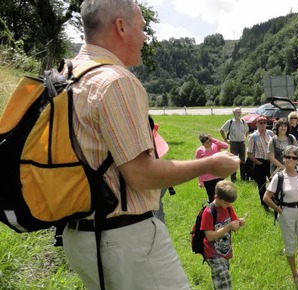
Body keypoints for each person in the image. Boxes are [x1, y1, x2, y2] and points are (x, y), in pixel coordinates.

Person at [62, 1, 240, 289]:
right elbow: (141, 175)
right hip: (125, 240)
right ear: (121, 26)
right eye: (142, 28)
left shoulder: (67, 73)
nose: (145, 37)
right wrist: (210, 164)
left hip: (81, 234)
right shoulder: (115, 81)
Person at [263, 145, 298, 283]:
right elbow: (266, 197)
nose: (290, 159)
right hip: (287, 213)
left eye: (293, 157)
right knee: (290, 244)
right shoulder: (279, 177)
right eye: (287, 157)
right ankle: (294, 273)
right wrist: (280, 211)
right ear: (283, 159)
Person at [201, 180, 246, 290]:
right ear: (217, 197)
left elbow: (234, 228)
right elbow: (209, 236)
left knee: (220, 282)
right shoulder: (208, 212)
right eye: (226, 202)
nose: (229, 205)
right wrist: (227, 227)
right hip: (212, 252)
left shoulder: (228, 208)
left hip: (224, 251)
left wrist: (239, 223)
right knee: (225, 283)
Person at [247, 115, 275, 210]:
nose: (263, 124)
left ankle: (275, 202)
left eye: (265, 122)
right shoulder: (253, 136)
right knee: (262, 185)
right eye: (261, 123)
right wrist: (257, 162)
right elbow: (249, 153)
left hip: (271, 162)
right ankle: (265, 205)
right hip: (260, 163)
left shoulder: (271, 133)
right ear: (257, 124)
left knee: (274, 183)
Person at [196, 134, 229, 202]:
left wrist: (213, 140)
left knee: (222, 196)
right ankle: (213, 212)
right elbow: (198, 166)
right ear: (203, 144)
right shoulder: (200, 151)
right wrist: (200, 181)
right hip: (207, 179)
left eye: (210, 141)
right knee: (212, 198)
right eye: (207, 143)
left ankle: (223, 211)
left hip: (219, 176)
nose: (210, 143)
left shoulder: (216, 145)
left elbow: (226, 146)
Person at [220, 107, 250, 182]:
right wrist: (225, 139)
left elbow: (247, 130)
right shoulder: (230, 122)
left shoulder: (243, 121)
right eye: (237, 112)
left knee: (243, 161)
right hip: (233, 144)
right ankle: (233, 178)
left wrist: (245, 137)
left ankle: (243, 178)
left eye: (240, 112)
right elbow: (222, 130)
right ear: (234, 113)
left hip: (242, 143)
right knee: (233, 161)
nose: (239, 114)